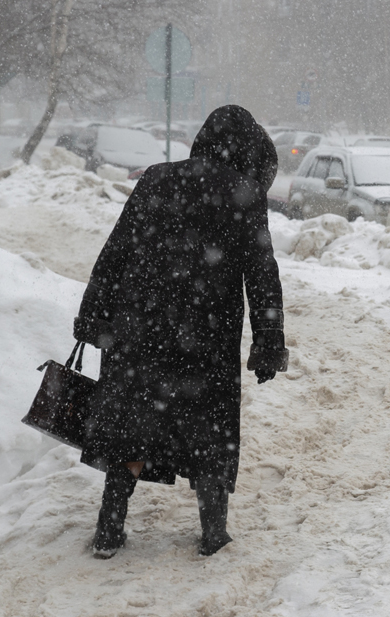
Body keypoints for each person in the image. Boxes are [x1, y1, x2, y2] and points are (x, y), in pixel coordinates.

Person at [73, 105, 290, 558]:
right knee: (209, 431)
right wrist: (269, 344)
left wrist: (92, 314)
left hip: (139, 328)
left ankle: (110, 528)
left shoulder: (155, 178)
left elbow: (114, 251)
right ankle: (213, 532)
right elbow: (262, 274)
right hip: (207, 334)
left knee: (132, 425)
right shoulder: (246, 193)